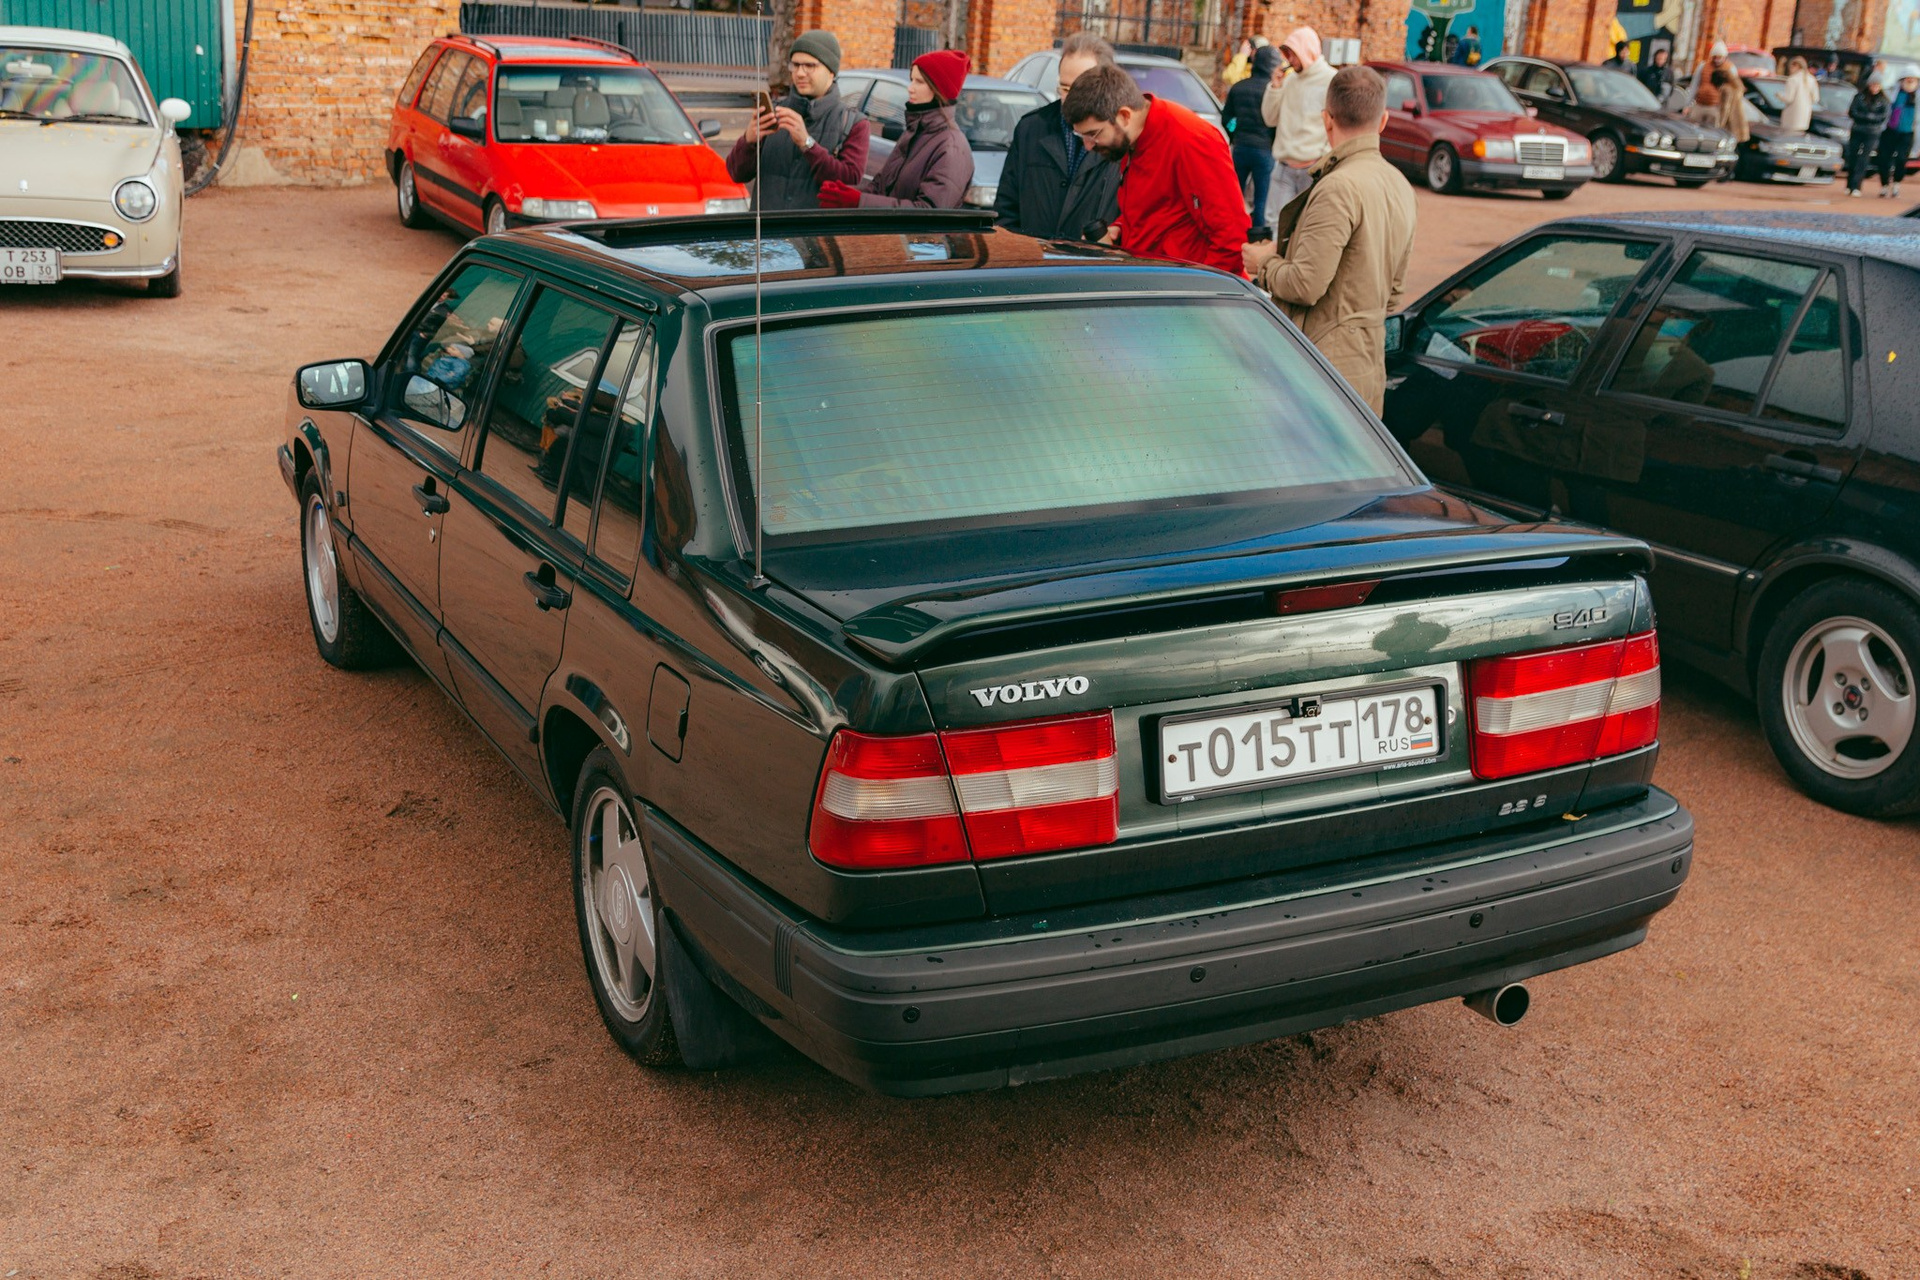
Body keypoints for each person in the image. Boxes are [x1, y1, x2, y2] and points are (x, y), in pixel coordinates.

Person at [1241, 65, 1416, 413]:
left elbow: (1305, 285)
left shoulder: (1338, 187)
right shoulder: (1400, 185)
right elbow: (1394, 292)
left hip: (1323, 371)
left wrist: (1264, 263)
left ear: (1327, 119)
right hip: (1367, 366)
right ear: (1383, 120)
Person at [1062, 62, 1248, 274]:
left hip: (1184, 285)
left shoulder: (1190, 140)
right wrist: (1121, 229)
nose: (1088, 146)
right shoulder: (1133, 138)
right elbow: (1161, 210)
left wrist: (1199, 290)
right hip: (1154, 278)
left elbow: (1232, 236)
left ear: (1124, 116)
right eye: (1082, 136)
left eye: (1094, 134)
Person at [993, 32, 1123, 240]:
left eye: (1081, 88)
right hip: (1035, 257)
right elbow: (1006, 209)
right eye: (1064, 88)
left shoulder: (1122, 138)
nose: (1071, 98)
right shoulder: (1031, 129)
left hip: (1094, 258)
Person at [724, 30, 869, 210]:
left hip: (815, 227)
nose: (800, 73)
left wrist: (807, 144)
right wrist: (749, 141)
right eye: (796, 65)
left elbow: (850, 181)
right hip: (768, 227)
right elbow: (737, 174)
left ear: (831, 72)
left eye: (810, 66)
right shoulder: (775, 112)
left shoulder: (853, 123)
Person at [819, 51, 974, 209]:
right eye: (912, 80)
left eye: (920, 82)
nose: (910, 88)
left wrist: (859, 201)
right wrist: (847, 194)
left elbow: (930, 212)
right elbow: (881, 186)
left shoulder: (951, 147)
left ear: (939, 89)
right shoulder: (914, 132)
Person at [1261, 27, 1335, 230]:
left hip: (1312, 169)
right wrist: (1275, 88)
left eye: (1293, 54)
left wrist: (1325, 156)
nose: (1289, 60)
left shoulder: (1330, 80)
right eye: (1287, 54)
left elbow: (1336, 124)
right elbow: (1269, 118)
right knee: (1276, 225)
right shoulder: (1289, 80)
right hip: (1284, 167)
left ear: (1307, 50)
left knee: (1307, 227)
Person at [1225, 43, 1282, 228]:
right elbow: (1278, 121)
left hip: (1241, 147)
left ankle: (1234, 230)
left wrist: (1234, 134)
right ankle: (1257, 237)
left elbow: (1227, 118)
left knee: (1235, 196)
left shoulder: (1238, 87)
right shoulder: (1273, 91)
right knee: (1261, 200)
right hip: (1265, 150)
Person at [1846, 73, 1891, 196]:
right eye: (1873, 85)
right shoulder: (1859, 97)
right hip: (1858, 129)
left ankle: (1856, 186)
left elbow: (1883, 116)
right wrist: (1866, 117)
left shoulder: (1883, 100)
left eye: (1878, 85)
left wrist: (1869, 117)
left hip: (1872, 132)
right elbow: (1852, 111)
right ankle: (1850, 184)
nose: (1875, 88)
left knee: (1864, 159)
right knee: (1853, 156)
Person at [1874, 73, 1918, 196]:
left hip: (1908, 132)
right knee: (1884, 158)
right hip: (1890, 130)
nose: (1910, 81)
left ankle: (1896, 183)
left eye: (1913, 79)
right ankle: (1884, 184)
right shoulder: (1893, 93)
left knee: (1901, 159)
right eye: (1908, 78)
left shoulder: (1917, 96)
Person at [1683, 41, 1730, 126]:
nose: (1717, 60)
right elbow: (1694, 85)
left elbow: (1731, 92)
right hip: (1699, 104)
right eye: (1715, 57)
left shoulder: (1728, 69)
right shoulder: (1703, 66)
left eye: (1719, 57)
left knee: (1711, 130)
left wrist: (1724, 111)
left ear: (1724, 57)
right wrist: (1687, 105)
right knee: (1693, 127)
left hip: (1715, 107)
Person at [1780, 55, 1819, 133]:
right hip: (1805, 117)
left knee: (1788, 137)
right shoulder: (1812, 79)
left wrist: (1779, 95)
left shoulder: (1792, 79)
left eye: (1791, 67)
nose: (1790, 69)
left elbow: (1789, 99)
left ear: (1797, 66)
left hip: (1792, 116)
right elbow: (1816, 99)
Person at [1713, 62, 1749, 143]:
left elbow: (1725, 108)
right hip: (1738, 121)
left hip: (1730, 122)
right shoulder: (1736, 89)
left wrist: (1720, 125)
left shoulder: (1725, 89)